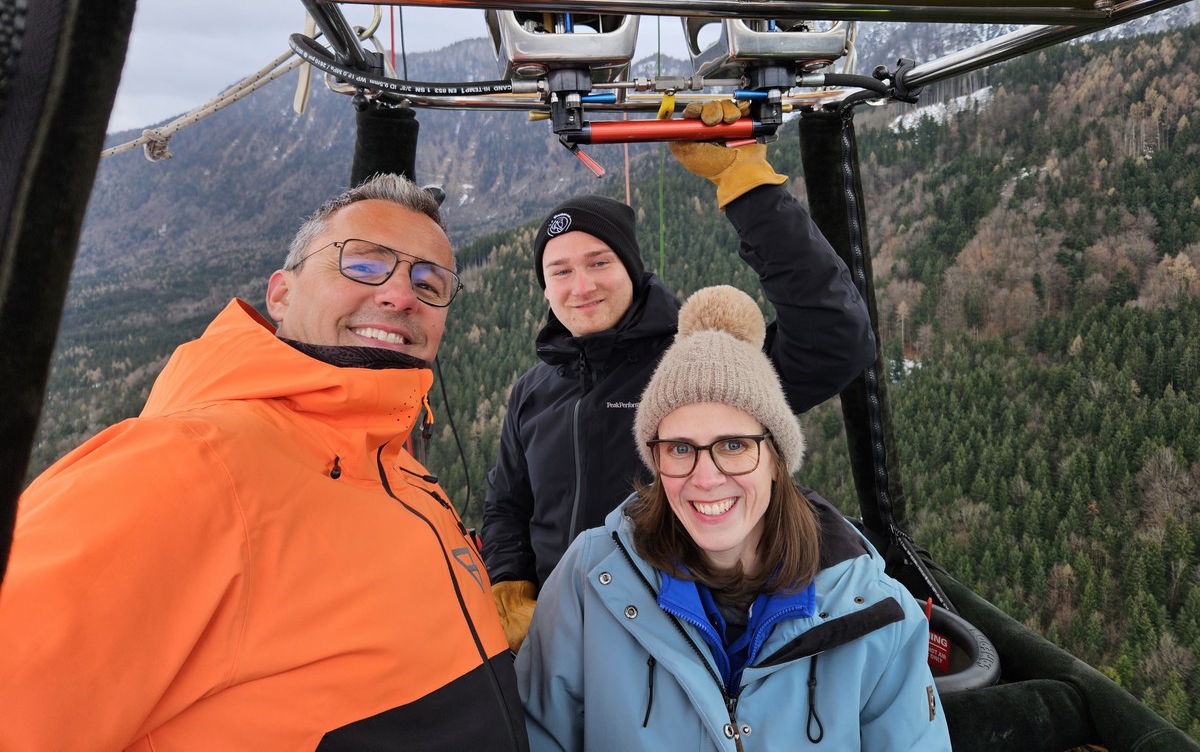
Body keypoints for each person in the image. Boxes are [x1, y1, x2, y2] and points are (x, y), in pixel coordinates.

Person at [0, 174, 529, 751]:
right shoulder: (183, 468)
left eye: (429, 283)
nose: (401, 296)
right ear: (280, 295)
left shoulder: (401, 470)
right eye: (363, 264)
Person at [483, 100, 876, 651]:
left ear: (632, 269)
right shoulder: (534, 389)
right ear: (545, 289)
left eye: (599, 262)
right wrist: (510, 586)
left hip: (678, 643)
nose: (581, 286)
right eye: (560, 271)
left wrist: (748, 189)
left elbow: (834, 341)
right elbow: (507, 505)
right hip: (556, 639)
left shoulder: (694, 366)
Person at [516, 285, 951, 750]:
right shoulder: (588, 583)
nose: (706, 478)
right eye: (680, 449)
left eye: (733, 445)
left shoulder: (874, 612)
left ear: (776, 460)